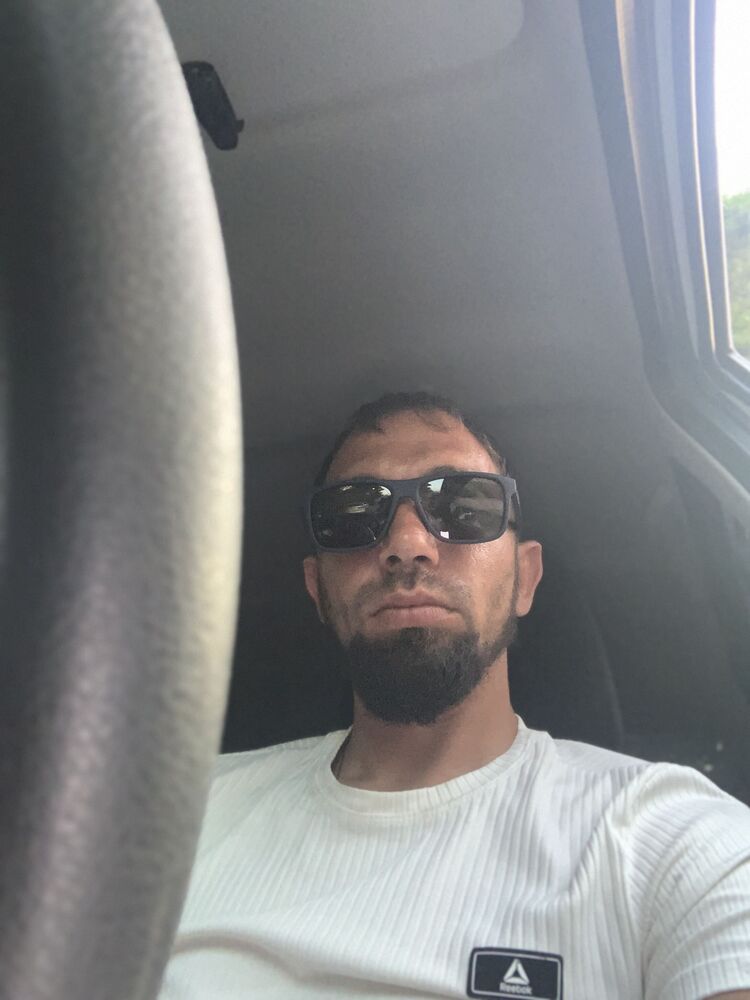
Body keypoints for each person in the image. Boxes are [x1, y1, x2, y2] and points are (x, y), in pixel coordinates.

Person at [160, 392, 750, 1000]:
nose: (407, 543)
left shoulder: (663, 840)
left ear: (525, 578)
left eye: (465, 506)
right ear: (318, 590)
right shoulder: (179, 816)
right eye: (355, 513)